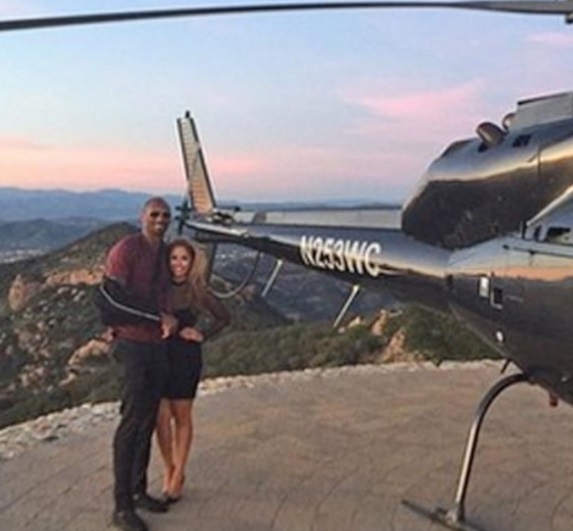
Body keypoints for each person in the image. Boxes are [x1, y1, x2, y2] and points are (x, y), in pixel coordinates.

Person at [104, 197, 178, 531]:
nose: (160, 220)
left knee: (147, 419)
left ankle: (138, 490)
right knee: (132, 421)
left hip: (157, 346)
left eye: (165, 215)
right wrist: (155, 317)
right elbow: (112, 299)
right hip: (132, 344)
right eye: (154, 214)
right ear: (142, 216)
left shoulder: (164, 254)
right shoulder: (127, 249)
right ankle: (121, 506)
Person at [155, 238, 230, 502]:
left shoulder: (197, 290)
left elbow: (224, 317)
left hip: (186, 357)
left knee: (181, 416)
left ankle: (179, 474)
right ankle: (168, 469)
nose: (178, 264)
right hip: (160, 356)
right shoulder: (159, 288)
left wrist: (202, 334)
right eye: (173, 258)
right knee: (160, 418)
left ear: (192, 262)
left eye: (184, 258)